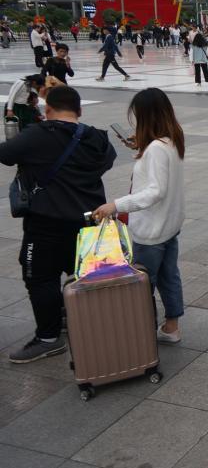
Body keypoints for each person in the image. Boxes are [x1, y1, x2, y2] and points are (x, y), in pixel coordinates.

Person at [0, 86, 116, 363]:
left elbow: (6, 154)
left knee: (39, 278)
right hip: (89, 222)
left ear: (47, 109)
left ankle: (48, 338)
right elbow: (107, 161)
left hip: (46, 225)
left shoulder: (37, 135)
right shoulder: (97, 137)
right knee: (84, 275)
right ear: (80, 110)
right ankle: (75, 319)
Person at [92, 89, 185, 343]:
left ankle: (140, 333)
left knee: (142, 284)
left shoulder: (156, 149)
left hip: (151, 230)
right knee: (169, 277)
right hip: (169, 225)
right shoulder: (172, 139)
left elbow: (155, 191)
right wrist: (141, 144)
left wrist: (116, 205)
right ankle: (171, 327)